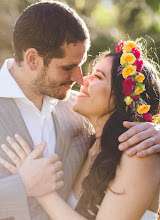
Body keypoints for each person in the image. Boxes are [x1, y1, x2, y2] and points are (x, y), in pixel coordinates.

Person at [0, 1, 160, 219]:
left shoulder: (77, 112)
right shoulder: (88, 119)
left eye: (83, 67)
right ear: (32, 59)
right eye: (67, 67)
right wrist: (21, 187)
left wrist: (155, 131)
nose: (78, 79)